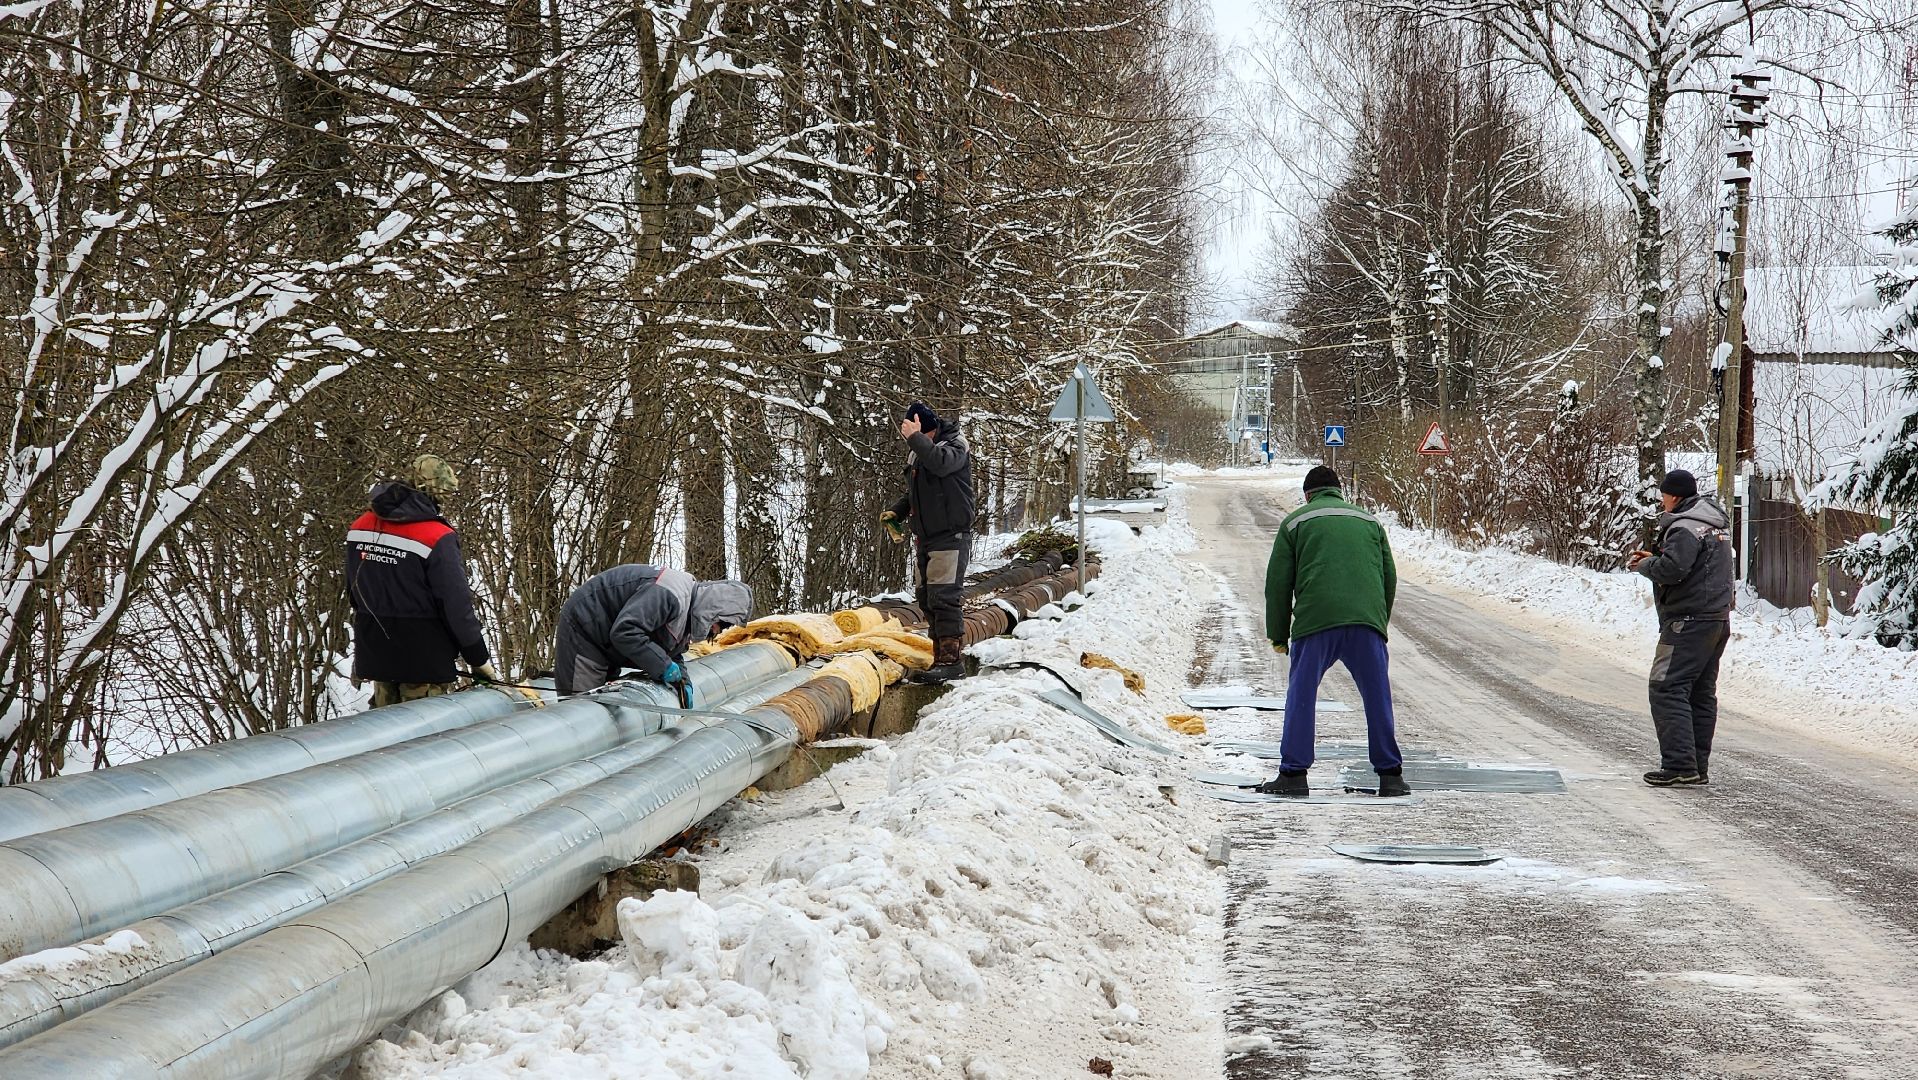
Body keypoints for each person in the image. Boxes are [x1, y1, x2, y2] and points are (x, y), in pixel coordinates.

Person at [1258, 465, 1406, 798]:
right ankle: (1391, 775)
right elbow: (1389, 577)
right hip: (1366, 623)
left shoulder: (1295, 522)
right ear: (1340, 491)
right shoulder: (1370, 522)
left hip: (1316, 622)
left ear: (1307, 495)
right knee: (1377, 695)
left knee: (1302, 694)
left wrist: (1279, 635)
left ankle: (1294, 775)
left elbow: (1278, 585)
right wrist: (1377, 622)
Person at [346, 454, 500, 708]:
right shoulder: (436, 536)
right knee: (425, 740)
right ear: (436, 491)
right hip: (423, 660)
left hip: (376, 652)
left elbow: (353, 590)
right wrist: (478, 659)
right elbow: (456, 605)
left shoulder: (360, 527)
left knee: (385, 738)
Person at [1628, 468, 1734, 787]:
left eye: (1663, 495)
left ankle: (1678, 765)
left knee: (1667, 687)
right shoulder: (1712, 523)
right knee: (1700, 693)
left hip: (1687, 621)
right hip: (1716, 618)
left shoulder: (1685, 526)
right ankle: (1696, 766)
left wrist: (1646, 565)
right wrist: (1657, 557)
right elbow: (1691, 564)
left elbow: (1674, 569)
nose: (1662, 501)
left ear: (1673, 496)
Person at [553, 564, 753, 699]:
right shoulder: (669, 594)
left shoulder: (686, 613)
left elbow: (671, 652)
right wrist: (663, 666)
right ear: (714, 610)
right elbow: (626, 632)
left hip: (606, 643)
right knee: (581, 711)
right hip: (585, 628)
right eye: (721, 625)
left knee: (605, 704)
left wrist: (683, 682)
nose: (717, 632)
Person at [881, 401, 975, 684]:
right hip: (926, 536)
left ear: (926, 429)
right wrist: (898, 510)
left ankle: (951, 661)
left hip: (951, 534)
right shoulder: (920, 453)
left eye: (917, 433)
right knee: (927, 597)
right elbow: (917, 492)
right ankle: (939, 658)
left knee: (945, 597)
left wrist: (916, 439)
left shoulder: (955, 445)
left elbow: (941, 463)